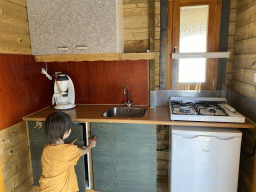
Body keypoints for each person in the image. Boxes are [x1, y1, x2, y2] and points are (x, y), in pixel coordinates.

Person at [39, 111, 97, 192]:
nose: (70, 130)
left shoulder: (46, 149)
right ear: (66, 133)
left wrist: (66, 147)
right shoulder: (70, 150)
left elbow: (59, 154)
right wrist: (91, 145)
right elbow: (83, 151)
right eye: (69, 128)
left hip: (46, 188)